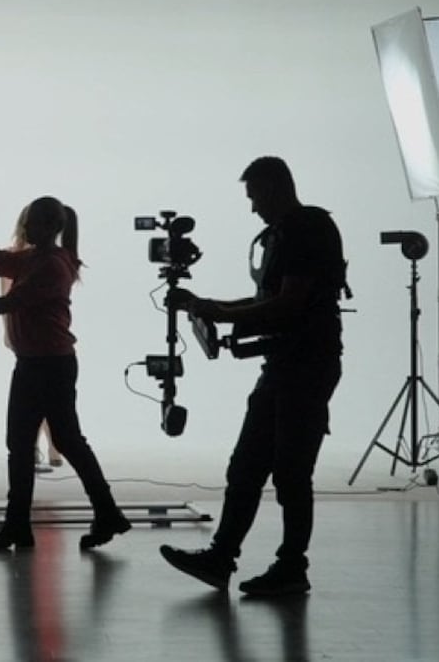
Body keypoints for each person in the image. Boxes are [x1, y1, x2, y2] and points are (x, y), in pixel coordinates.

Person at [160, 157, 345, 597]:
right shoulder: (285, 234)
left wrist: (219, 312)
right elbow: (268, 299)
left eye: (255, 197)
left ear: (275, 188)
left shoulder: (306, 230)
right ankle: (221, 558)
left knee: (291, 472)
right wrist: (209, 306)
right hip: (283, 364)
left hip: (306, 366)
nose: (253, 208)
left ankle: (291, 567)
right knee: (246, 466)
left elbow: (289, 304)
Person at [0, 196, 130, 552]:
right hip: (42, 364)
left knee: (34, 444)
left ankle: (29, 524)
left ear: (52, 226)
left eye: (34, 222)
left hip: (47, 366)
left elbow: (11, 301)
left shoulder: (51, 265)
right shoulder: (35, 259)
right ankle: (98, 514)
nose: (26, 227)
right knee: (51, 442)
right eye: (27, 221)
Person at [0, 205, 63, 472]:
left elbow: (6, 299)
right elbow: (6, 298)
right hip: (35, 337)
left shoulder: (48, 258)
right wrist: (8, 330)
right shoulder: (26, 258)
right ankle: (46, 446)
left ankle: (47, 446)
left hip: (39, 338)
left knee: (36, 399)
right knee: (41, 399)